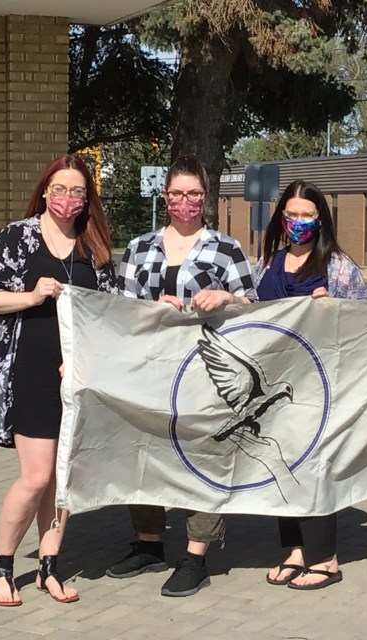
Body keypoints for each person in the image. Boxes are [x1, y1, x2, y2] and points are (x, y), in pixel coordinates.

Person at [107, 154, 258, 597]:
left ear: (205, 198)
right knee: (145, 452)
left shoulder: (226, 248)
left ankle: (196, 557)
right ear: (165, 196)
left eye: (194, 194)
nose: (185, 202)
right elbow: (119, 309)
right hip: (149, 369)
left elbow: (255, 308)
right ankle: (148, 543)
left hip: (204, 373)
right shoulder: (139, 248)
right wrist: (151, 309)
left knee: (202, 457)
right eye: (177, 194)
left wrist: (226, 296)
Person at [0, 154, 117, 607]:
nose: (68, 198)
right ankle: (2, 566)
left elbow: (110, 314)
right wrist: (31, 295)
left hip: (75, 376)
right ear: (45, 190)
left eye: (77, 191)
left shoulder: (94, 247)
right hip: (29, 369)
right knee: (35, 478)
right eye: (60, 189)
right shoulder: (18, 237)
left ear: (86, 198)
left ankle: (50, 566)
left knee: (63, 476)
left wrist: (87, 360)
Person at [252, 179, 367, 591]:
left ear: (321, 219)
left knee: (315, 468)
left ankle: (325, 557)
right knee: (282, 467)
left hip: (319, 389)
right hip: (276, 387)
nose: (298, 222)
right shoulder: (269, 261)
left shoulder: (338, 266)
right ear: (282, 218)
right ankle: (295, 550)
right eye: (292, 215)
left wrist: (333, 311)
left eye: (307, 215)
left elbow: (363, 324)